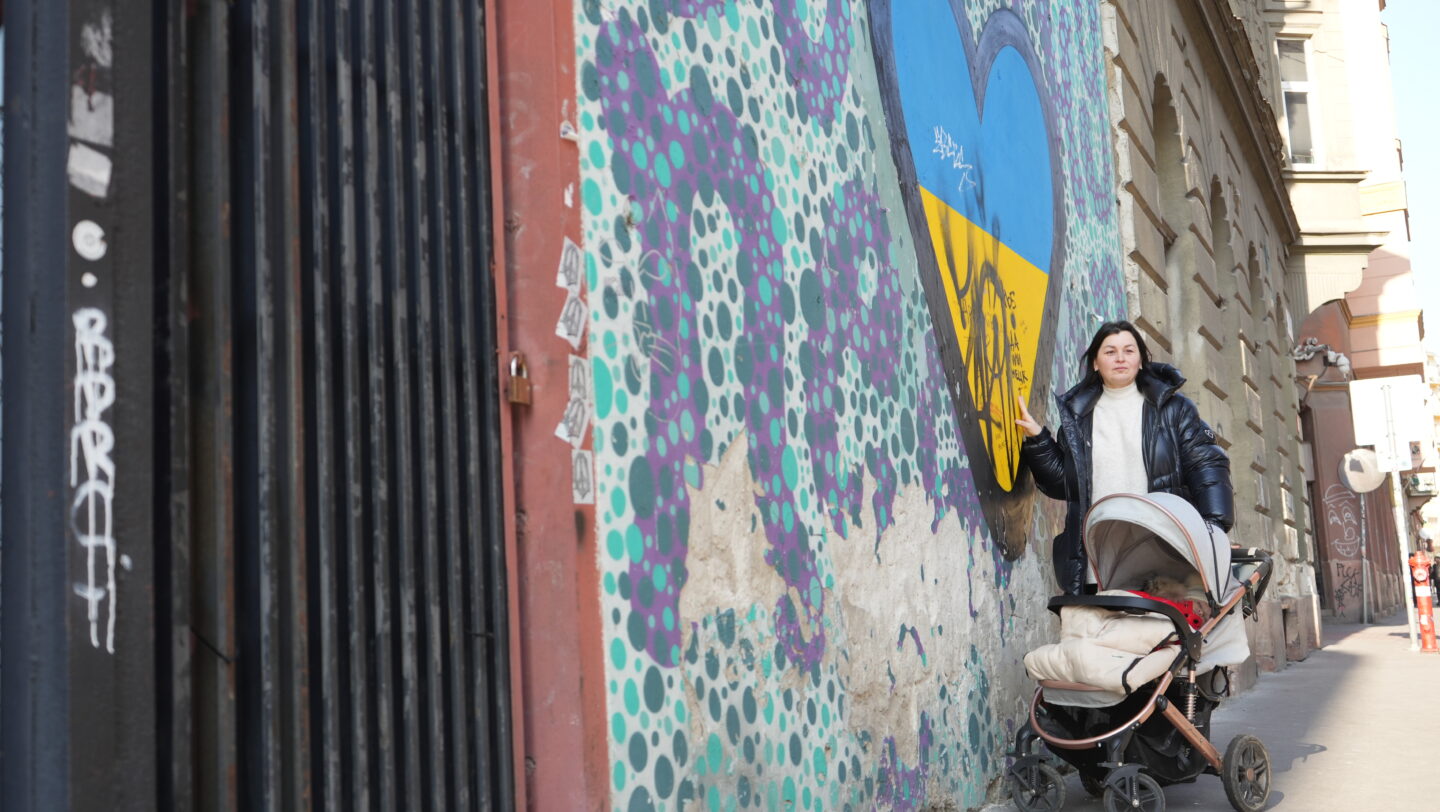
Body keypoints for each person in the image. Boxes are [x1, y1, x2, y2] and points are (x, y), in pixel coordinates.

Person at [1014, 320, 1234, 595]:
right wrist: (1039, 439)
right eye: (1110, 352)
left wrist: (1213, 530)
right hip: (1099, 559)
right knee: (1106, 633)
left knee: (1161, 633)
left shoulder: (1173, 409)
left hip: (1163, 550)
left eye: (1129, 351)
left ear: (1141, 360)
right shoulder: (1077, 418)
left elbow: (1206, 464)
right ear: (1095, 363)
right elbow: (1064, 485)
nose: (1120, 358)